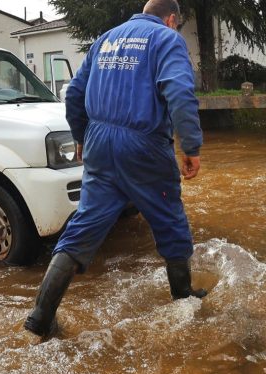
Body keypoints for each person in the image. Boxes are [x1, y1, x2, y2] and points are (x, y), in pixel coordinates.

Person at [24, 0, 207, 337]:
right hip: (144, 147)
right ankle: (184, 299)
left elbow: (74, 93)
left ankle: (40, 316)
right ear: (171, 19)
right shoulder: (167, 40)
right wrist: (191, 147)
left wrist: (81, 136)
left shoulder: (105, 39)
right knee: (169, 220)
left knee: (83, 226)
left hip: (98, 145)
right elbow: (180, 92)